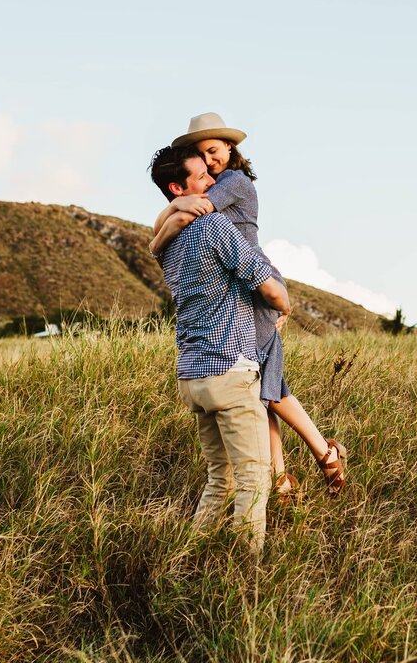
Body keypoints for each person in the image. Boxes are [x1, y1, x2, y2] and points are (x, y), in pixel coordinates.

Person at [149, 112, 346, 498]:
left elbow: (186, 209)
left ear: (229, 148)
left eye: (213, 151)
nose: (209, 162)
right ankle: (284, 477)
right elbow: (175, 210)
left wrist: (158, 241)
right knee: (260, 384)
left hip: (255, 284)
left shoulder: (233, 183)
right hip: (240, 283)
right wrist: (162, 231)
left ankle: (322, 454)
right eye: (202, 157)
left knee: (266, 385)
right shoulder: (217, 182)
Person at [148, 143, 291, 553]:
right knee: (253, 478)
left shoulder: (168, 245)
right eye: (202, 178)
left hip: (192, 376)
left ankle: (188, 557)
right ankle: (247, 573)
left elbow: (155, 242)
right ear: (179, 188)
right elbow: (265, 284)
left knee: (219, 478)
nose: (213, 180)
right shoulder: (214, 227)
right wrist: (286, 304)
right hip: (230, 369)